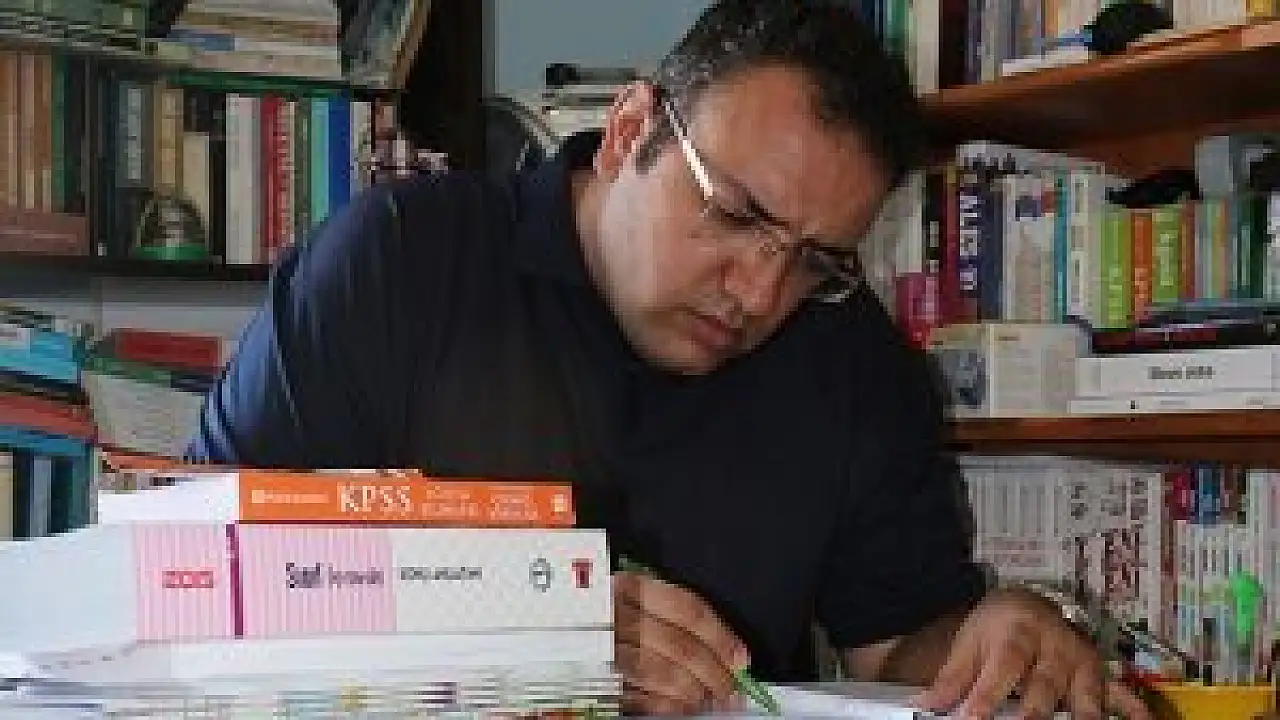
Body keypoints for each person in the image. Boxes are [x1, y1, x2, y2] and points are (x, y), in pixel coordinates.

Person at [186, 2, 1151, 717]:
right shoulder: (396, 266)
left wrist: (1001, 638)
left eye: (815, 261)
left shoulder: (851, 357)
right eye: (735, 215)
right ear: (629, 132)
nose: (760, 294)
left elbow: (896, 649)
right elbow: (191, 579)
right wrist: (526, 638)